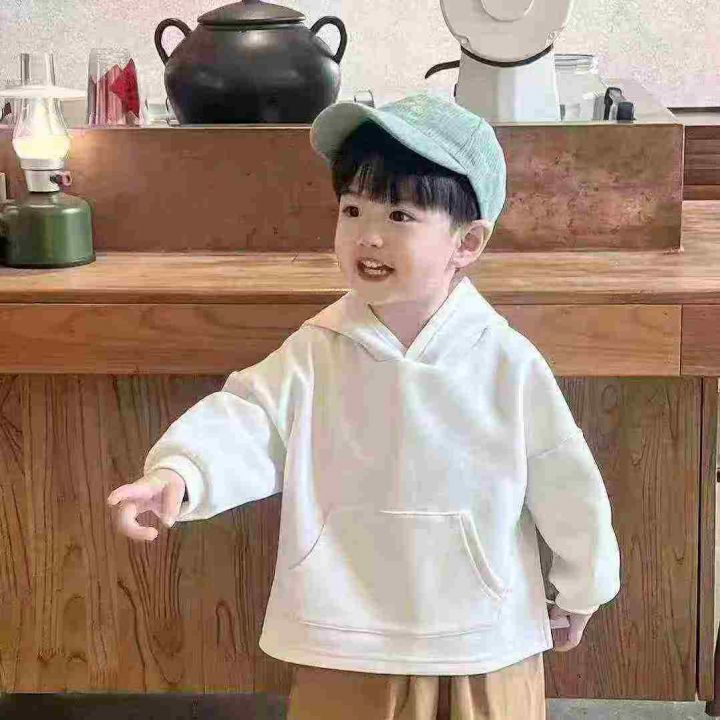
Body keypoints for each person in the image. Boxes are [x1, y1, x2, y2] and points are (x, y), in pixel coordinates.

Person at [107, 93, 620, 719]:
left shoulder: (506, 363)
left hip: (482, 636)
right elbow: (248, 420)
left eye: (400, 214)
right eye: (352, 209)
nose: (367, 236)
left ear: (468, 242)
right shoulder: (316, 350)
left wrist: (583, 585)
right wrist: (179, 473)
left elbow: (566, 480)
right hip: (345, 634)